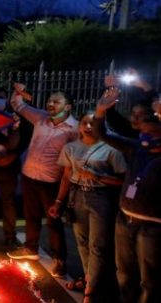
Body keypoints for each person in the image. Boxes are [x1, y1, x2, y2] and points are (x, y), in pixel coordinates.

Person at [47, 112, 127, 302]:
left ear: (102, 126)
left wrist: (97, 177)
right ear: (80, 125)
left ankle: (91, 290)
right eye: (85, 123)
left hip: (101, 197)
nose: (88, 127)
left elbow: (123, 180)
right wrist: (58, 202)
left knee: (97, 245)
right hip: (77, 196)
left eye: (93, 123)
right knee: (82, 242)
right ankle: (89, 279)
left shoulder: (111, 149)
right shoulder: (71, 147)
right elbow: (67, 176)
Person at [95, 87, 161, 303]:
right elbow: (102, 133)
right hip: (125, 219)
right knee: (124, 272)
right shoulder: (136, 149)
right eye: (142, 129)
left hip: (152, 226)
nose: (144, 131)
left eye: (149, 128)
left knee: (149, 280)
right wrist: (101, 111)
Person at [6, 84, 78, 278]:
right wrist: (19, 92)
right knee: (31, 216)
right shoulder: (40, 118)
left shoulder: (75, 129)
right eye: (49, 101)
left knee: (53, 220)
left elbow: (74, 159)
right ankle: (31, 248)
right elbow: (17, 105)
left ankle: (59, 259)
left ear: (68, 106)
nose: (51, 104)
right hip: (30, 175)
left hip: (52, 180)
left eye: (56, 101)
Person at [0, 88, 23, 248]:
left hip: (9, 166)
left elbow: (22, 141)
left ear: (6, 100)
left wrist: (13, 130)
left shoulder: (14, 117)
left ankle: (10, 236)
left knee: (8, 203)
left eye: (1, 98)